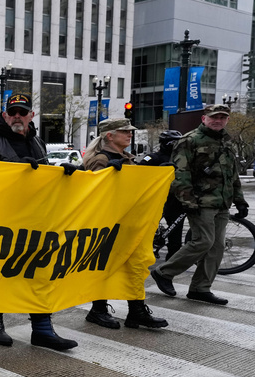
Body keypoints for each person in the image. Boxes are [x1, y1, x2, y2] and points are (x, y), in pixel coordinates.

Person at [0, 93, 78, 351]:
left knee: (39, 274)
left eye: (23, 112)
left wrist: (62, 175)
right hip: (3, 222)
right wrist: (15, 171)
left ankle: (42, 329)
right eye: (13, 112)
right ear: (4, 116)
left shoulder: (38, 143)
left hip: (37, 221)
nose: (17, 117)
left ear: (31, 116)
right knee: (0, 272)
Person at [151, 104, 249, 305]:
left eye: (222, 117)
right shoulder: (190, 140)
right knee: (203, 241)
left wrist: (240, 200)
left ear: (227, 120)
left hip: (222, 203)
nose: (218, 120)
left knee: (217, 247)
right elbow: (180, 174)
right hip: (200, 202)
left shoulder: (227, 142)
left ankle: (200, 288)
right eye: (214, 117)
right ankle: (164, 272)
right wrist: (187, 201)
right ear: (204, 118)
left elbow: (233, 175)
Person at [80, 118, 168, 330]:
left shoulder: (125, 157)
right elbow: (91, 191)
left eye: (130, 131)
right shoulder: (100, 159)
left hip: (129, 222)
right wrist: (106, 172)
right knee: (104, 267)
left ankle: (136, 311)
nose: (130, 135)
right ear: (110, 135)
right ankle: (97, 310)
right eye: (124, 132)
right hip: (108, 224)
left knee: (136, 266)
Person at [139, 130, 186, 260]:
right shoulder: (152, 158)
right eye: (172, 142)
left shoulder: (183, 159)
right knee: (146, 232)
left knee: (176, 239)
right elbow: (139, 172)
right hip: (155, 201)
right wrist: (159, 169)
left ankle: (169, 267)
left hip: (175, 201)